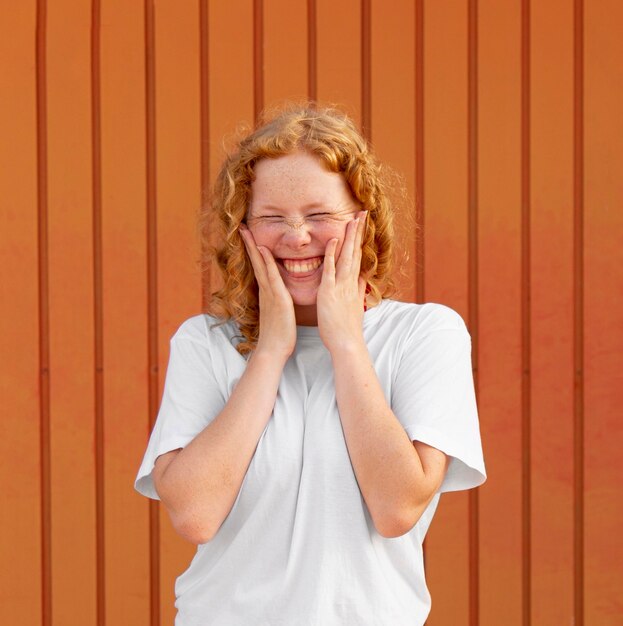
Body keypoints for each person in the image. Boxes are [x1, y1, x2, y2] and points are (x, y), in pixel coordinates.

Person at [134, 103, 486, 625]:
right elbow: (195, 514)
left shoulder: (425, 335)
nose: (297, 237)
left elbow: (396, 509)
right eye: (272, 218)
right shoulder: (205, 344)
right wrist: (271, 350)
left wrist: (345, 342)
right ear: (243, 230)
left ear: (363, 220)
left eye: (320, 216)